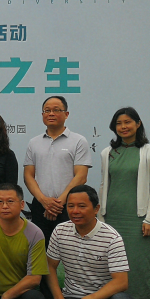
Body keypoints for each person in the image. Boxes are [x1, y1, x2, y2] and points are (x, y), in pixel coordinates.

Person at [98, 107, 150, 299]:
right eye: (119, 123)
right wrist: (100, 217)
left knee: (136, 264)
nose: (123, 127)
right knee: (110, 265)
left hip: (137, 220)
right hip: (111, 217)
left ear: (138, 124)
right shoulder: (107, 153)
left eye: (127, 122)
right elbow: (104, 185)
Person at [24, 96, 91, 246]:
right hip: (41, 206)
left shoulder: (78, 141)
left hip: (70, 206)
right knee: (41, 249)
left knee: (71, 249)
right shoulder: (34, 142)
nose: (51, 114)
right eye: (47, 110)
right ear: (42, 115)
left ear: (66, 114)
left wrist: (58, 203)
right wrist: (44, 201)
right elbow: (28, 175)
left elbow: (81, 176)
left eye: (56, 110)